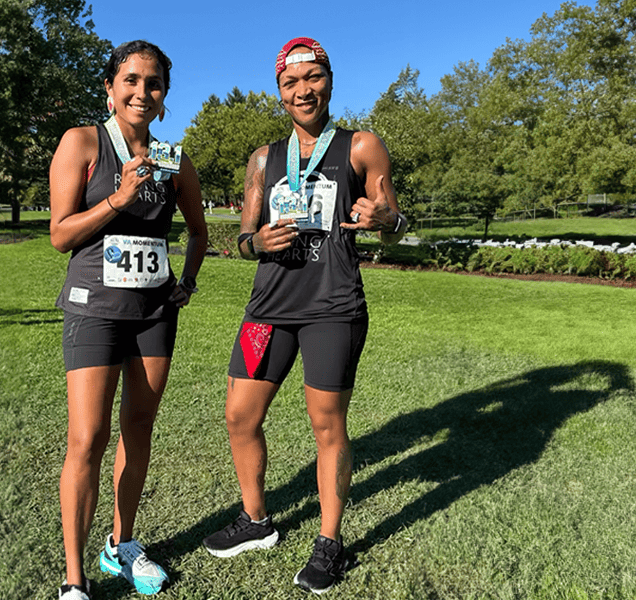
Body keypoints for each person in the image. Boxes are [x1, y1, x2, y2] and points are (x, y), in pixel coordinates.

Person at [201, 37, 407, 594]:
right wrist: (257, 241)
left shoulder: (360, 146)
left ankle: (330, 542)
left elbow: (395, 217)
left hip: (332, 307)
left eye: (312, 78)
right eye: (291, 83)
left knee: (326, 426)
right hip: (268, 308)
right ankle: (256, 521)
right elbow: (242, 240)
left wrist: (381, 217)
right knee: (239, 416)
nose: (303, 90)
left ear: (330, 80)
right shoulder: (264, 161)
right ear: (280, 92)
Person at [49, 40, 207, 600]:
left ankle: (122, 545)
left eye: (155, 83)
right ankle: (74, 579)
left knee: (137, 429)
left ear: (165, 95)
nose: (143, 91)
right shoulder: (83, 142)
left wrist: (184, 282)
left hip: (153, 313)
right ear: (111, 89)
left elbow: (199, 230)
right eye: (132, 80)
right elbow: (60, 234)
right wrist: (117, 199)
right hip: (94, 310)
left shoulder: (172, 157)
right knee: (86, 438)